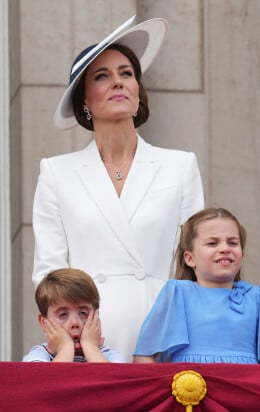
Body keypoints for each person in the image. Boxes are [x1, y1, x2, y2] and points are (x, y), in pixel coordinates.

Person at [31, 16, 204, 361]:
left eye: (126, 73)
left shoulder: (180, 166)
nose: (118, 82)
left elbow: (193, 265)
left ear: (138, 91)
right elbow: (48, 273)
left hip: (163, 331)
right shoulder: (56, 172)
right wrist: (72, 340)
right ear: (85, 101)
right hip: (87, 336)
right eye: (102, 76)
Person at [133, 207, 260, 364]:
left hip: (242, 386)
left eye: (232, 243)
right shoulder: (177, 293)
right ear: (190, 258)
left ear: (242, 254)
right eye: (212, 243)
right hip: (188, 385)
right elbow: (144, 355)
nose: (225, 249)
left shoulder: (258, 298)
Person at [23, 268, 124, 363]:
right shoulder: (38, 355)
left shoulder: (109, 356)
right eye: (63, 314)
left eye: (83, 313)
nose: (75, 323)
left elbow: (115, 381)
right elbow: (46, 381)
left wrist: (91, 347)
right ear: (43, 323)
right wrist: (65, 348)